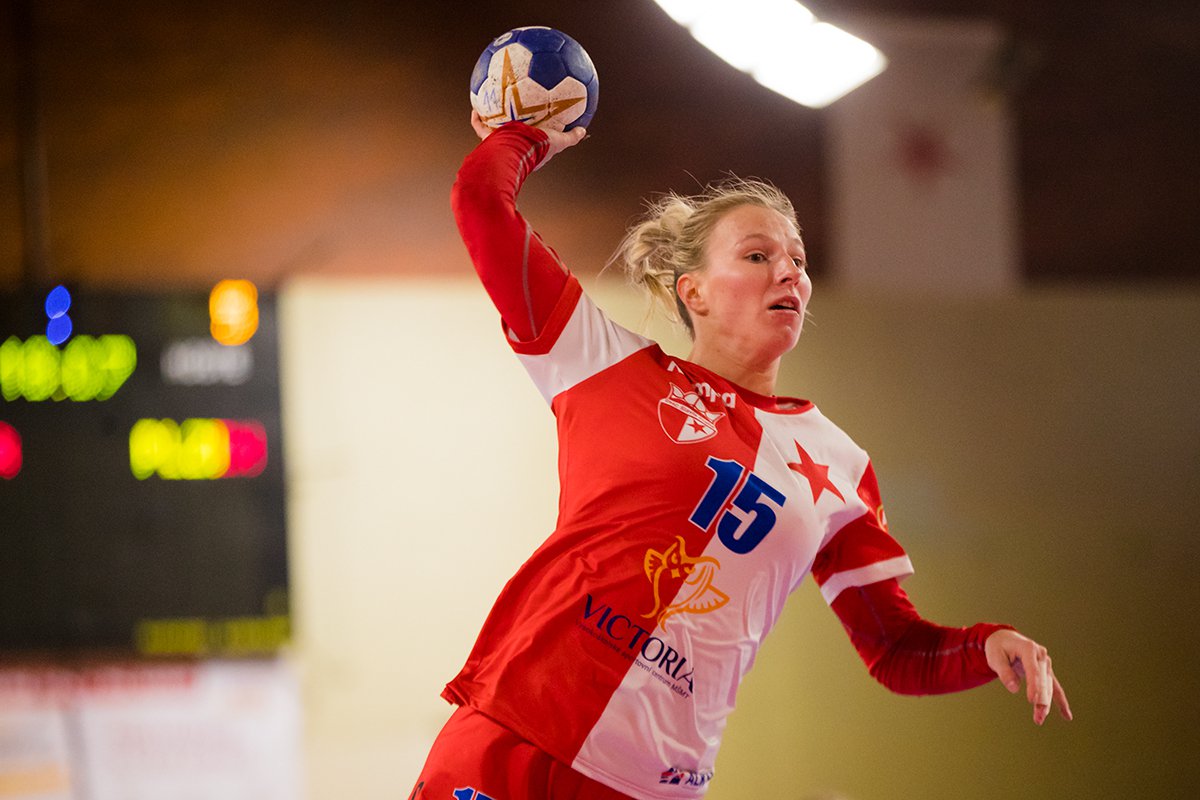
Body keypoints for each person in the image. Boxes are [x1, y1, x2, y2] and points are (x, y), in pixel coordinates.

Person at [408, 116, 1071, 800]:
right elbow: (481, 204)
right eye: (758, 256)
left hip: (649, 787)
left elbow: (896, 651)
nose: (789, 272)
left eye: (799, 262)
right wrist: (528, 134)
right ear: (692, 290)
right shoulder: (604, 365)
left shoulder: (838, 466)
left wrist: (985, 647)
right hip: (512, 734)